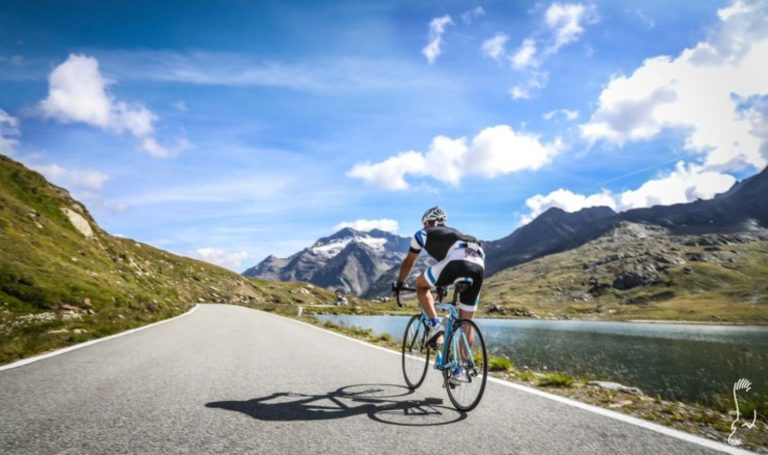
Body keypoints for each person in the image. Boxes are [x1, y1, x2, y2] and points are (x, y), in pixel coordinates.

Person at [392, 206, 485, 382]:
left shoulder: (423, 233)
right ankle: (460, 369)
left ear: (427, 222)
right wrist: (443, 284)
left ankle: (435, 325)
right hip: (479, 263)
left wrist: (399, 283)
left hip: (456, 261)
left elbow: (408, 262)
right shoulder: (454, 234)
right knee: (467, 323)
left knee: (420, 286)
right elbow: (451, 263)